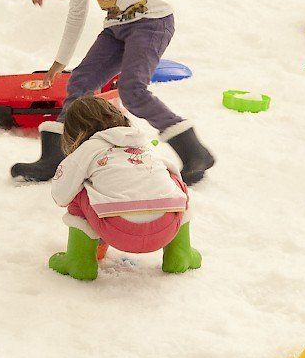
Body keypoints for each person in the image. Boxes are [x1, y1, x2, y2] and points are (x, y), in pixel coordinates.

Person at [11, 0, 216, 184]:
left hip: (151, 22)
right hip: (117, 28)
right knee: (80, 82)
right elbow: (77, 13)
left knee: (132, 91)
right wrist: (61, 60)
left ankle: (193, 149)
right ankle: (55, 156)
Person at [47, 95, 200, 281]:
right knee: (177, 186)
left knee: (78, 192)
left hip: (117, 230)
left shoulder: (87, 148)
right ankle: (179, 253)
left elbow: (62, 194)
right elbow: (170, 172)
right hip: (167, 228)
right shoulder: (140, 143)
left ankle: (79, 259)